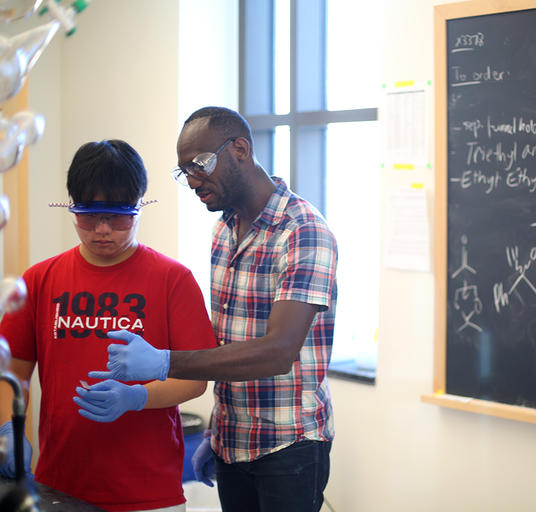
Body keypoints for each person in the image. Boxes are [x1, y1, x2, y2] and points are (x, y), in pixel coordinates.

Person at [89, 106, 338, 512]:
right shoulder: (224, 229)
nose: (191, 180)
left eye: (199, 165)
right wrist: (216, 427)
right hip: (231, 439)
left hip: (288, 445)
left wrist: (164, 362)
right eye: (184, 170)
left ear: (240, 149)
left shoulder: (302, 230)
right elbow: (228, 341)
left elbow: (278, 352)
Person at [0, 139, 218, 511]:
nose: (102, 229)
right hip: (61, 484)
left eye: (117, 217)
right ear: (72, 207)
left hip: (149, 490)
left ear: (139, 207)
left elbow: (195, 379)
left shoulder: (172, 280)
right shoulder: (39, 280)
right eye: (89, 216)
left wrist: (138, 397)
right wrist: (10, 428)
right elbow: (12, 372)